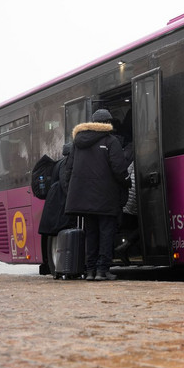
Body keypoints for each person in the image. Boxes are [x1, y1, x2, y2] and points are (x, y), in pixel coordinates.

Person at [63, 109, 129, 281]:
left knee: (91, 233)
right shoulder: (110, 141)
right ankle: (102, 270)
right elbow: (119, 169)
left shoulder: (78, 143)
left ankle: (90, 270)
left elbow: (68, 169)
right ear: (107, 123)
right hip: (106, 197)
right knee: (106, 233)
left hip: (84, 198)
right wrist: (127, 182)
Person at [38, 143, 74, 276]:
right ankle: (61, 268)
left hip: (54, 204)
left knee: (56, 233)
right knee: (61, 233)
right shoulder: (66, 164)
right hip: (60, 204)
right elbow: (66, 185)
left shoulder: (60, 163)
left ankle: (58, 268)